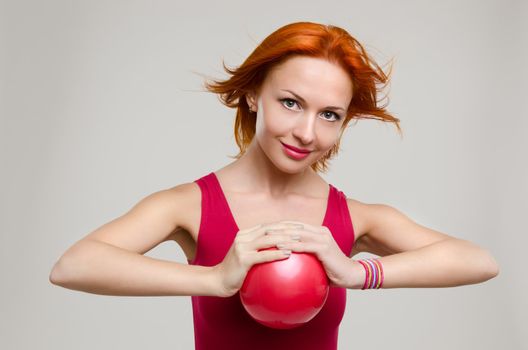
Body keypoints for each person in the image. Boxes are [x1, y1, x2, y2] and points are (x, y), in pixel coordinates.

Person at [49, 21, 499, 349]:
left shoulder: (354, 218)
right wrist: (214, 279)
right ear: (252, 95)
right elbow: (73, 266)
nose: (307, 132)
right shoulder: (190, 206)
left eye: (329, 115)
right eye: (290, 102)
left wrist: (357, 273)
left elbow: (477, 261)